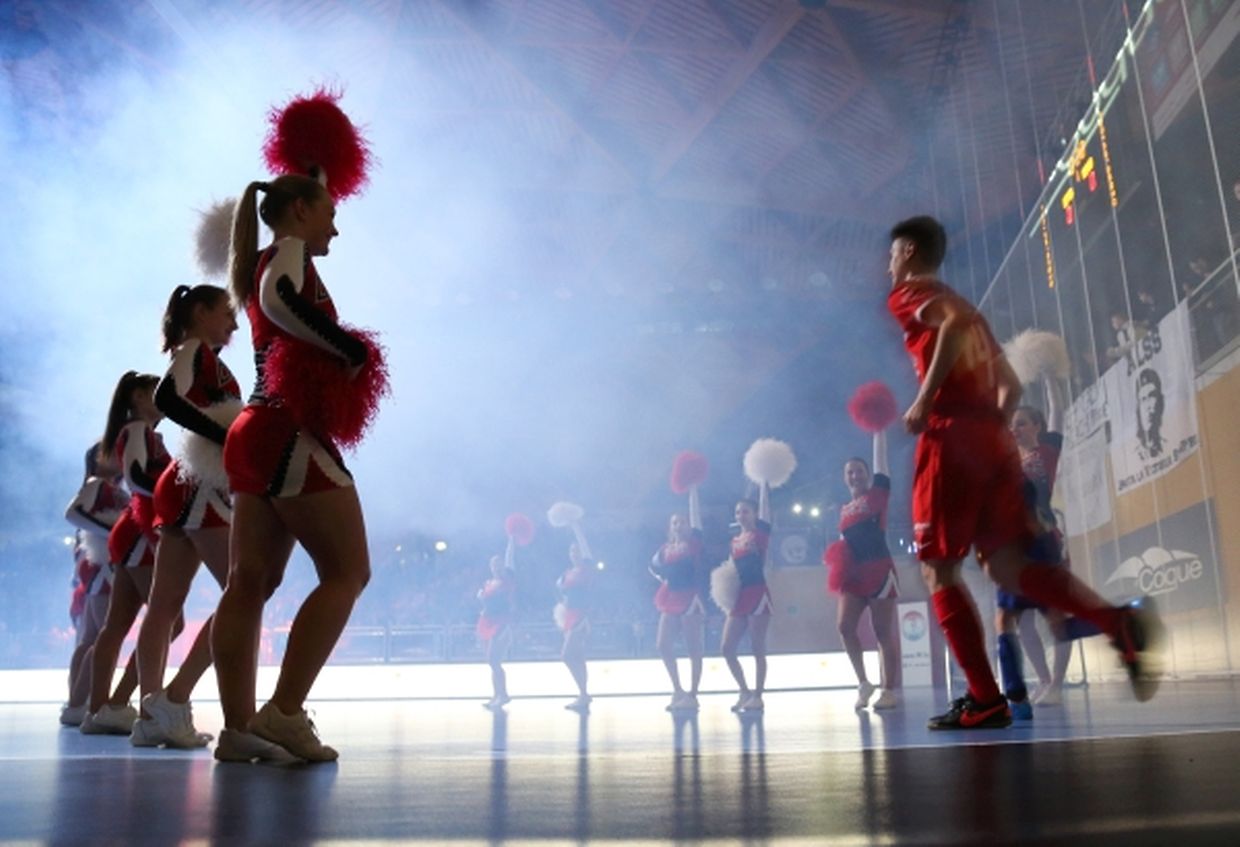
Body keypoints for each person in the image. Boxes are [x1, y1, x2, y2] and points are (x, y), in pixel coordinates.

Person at [884, 215, 1161, 730]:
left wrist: (926, 401)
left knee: (938, 569)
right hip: (992, 442)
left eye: (894, 253)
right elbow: (1010, 386)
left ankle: (986, 698)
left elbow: (953, 322)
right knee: (1006, 567)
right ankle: (1116, 621)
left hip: (953, 438)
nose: (890, 263)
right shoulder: (979, 318)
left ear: (910, 252)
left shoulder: (913, 293)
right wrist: (992, 434)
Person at [212, 174, 371, 763]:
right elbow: (282, 301)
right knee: (349, 570)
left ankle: (238, 728)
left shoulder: (259, 256)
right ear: (300, 210)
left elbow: (273, 301)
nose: (336, 224)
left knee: (248, 581)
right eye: (329, 210)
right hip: (286, 427)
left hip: (252, 430)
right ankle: (282, 713)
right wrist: (347, 347)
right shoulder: (287, 253)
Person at [133, 283, 241, 748]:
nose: (234, 324)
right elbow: (168, 398)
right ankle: (173, 700)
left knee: (162, 607)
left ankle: (152, 713)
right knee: (244, 592)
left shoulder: (197, 352)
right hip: (198, 485)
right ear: (200, 313)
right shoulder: (195, 351)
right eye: (226, 314)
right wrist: (220, 438)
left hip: (184, 485)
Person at [81, 372, 171, 734]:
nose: (163, 396)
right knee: (167, 620)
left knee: (117, 624)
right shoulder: (137, 431)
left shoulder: (142, 433)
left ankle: (104, 707)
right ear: (136, 396)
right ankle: (125, 704)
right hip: (141, 530)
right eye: (154, 390)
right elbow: (135, 478)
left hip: (136, 529)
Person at [995, 378, 1073, 717]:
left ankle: (1057, 682)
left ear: (1037, 427)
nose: (1016, 430)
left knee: (1056, 616)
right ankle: (1042, 678)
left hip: (1048, 543)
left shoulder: (1047, 451)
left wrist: (1050, 375)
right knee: (1023, 621)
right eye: (1012, 426)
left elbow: (1058, 410)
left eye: (1022, 423)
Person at [829, 427, 901, 711]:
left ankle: (889, 689)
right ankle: (863, 683)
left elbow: (882, 461)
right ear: (844, 477)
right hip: (853, 574)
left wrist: (879, 429)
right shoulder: (844, 508)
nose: (854, 475)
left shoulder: (878, 495)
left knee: (882, 631)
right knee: (844, 626)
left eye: (859, 470)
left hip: (880, 570)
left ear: (868, 474)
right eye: (850, 472)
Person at [60, 443, 128, 726]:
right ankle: (84, 703)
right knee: (103, 636)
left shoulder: (103, 486)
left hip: (98, 566)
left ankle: (78, 702)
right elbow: (73, 514)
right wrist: (115, 533)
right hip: (103, 565)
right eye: (114, 452)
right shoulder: (98, 485)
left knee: (91, 638)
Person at [650, 485, 705, 712]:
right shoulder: (664, 549)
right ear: (670, 528)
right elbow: (654, 568)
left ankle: (693, 694)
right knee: (662, 644)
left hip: (690, 597)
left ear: (689, 526)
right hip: (670, 596)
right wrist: (662, 578)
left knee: (694, 649)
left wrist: (692, 489)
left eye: (682, 521)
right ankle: (678, 689)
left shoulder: (694, 543)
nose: (679, 525)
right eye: (675, 522)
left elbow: (696, 516)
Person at [720, 484, 772, 713]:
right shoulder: (733, 541)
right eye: (738, 511)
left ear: (755, 514)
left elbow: (765, 509)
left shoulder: (761, 533)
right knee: (726, 648)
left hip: (758, 593)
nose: (741, 515)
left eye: (746, 511)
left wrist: (763, 482)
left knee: (757, 647)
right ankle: (744, 691)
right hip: (740, 597)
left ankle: (758, 696)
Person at [555, 521, 595, 712]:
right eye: (571, 551)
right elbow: (562, 594)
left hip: (581, 615)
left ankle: (584, 693)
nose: (574, 554)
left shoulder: (586, 569)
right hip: (569, 615)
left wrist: (575, 527)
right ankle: (583, 694)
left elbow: (586, 549)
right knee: (578, 657)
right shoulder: (566, 573)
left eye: (577, 551)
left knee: (567, 655)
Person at [478, 537, 517, 710]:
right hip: (487, 621)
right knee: (491, 661)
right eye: (493, 564)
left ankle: (504, 694)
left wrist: (511, 541)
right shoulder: (487, 583)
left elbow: (510, 558)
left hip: (500, 622)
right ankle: (497, 695)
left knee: (493, 659)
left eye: (499, 564)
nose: (496, 567)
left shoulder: (507, 580)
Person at [1135, 368, 1165, 460]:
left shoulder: (1173, 443)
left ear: (1160, 402)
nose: (1148, 406)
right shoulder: (1132, 457)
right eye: (1143, 399)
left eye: (1152, 396)